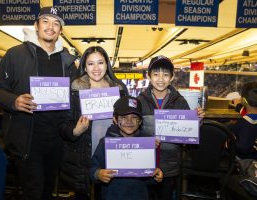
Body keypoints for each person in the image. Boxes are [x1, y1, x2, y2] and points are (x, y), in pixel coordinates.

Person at [0, 7, 79, 200]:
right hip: (28, 140)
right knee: (33, 192)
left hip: (57, 140)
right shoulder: (15, 55)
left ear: (60, 30)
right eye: (45, 21)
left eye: (56, 23)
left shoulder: (68, 62)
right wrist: (14, 100)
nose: (50, 27)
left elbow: (77, 95)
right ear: (36, 26)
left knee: (47, 191)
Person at [59, 46, 128, 199]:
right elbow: (62, 124)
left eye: (100, 63)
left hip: (113, 156)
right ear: (84, 66)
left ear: (107, 65)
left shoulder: (120, 90)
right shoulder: (74, 90)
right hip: (83, 159)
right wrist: (75, 131)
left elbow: (133, 123)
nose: (96, 68)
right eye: (90, 64)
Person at [137, 55, 204, 200]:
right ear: (148, 76)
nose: (161, 79)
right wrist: (145, 141)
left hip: (170, 167)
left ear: (172, 77)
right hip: (145, 164)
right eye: (156, 74)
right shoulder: (140, 101)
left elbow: (188, 135)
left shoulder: (180, 101)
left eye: (166, 74)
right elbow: (132, 130)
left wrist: (197, 121)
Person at [89, 96, 164, 200]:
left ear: (140, 121)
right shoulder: (105, 142)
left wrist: (157, 176)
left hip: (139, 195)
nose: (129, 121)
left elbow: (149, 177)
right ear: (115, 119)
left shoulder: (147, 145)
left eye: (134, 117)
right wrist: (98, 174)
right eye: (124, 117)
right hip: (112, 195)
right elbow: (93, 168)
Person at [228, 81, 257, 159]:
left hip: (247, 162)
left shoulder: (243, 124)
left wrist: (228, 143)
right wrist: (238, 105)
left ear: (243, 101)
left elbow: (242, 148)